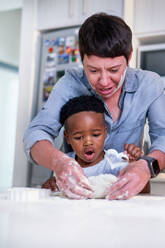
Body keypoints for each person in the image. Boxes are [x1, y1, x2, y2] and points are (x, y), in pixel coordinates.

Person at [24, 12, 165, 200]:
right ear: (82, 59)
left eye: (114, 70)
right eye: (93, 70)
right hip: (76, 195)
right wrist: (59, 162)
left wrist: (146, 166)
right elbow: (36, 132)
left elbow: (163, 136)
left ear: (129, 56)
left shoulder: (149, 84)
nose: (104, 81)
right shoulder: (69, 84)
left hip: (125, 196)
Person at [41, 95, 145, 194]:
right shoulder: (64, 163)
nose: (88, 142)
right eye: (78, 137)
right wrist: (49, 186)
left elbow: (144, 190)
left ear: (105, 133)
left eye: (95, 135)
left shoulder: (115, 162)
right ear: (67, 137)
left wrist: (134, 165)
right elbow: (53, 193)